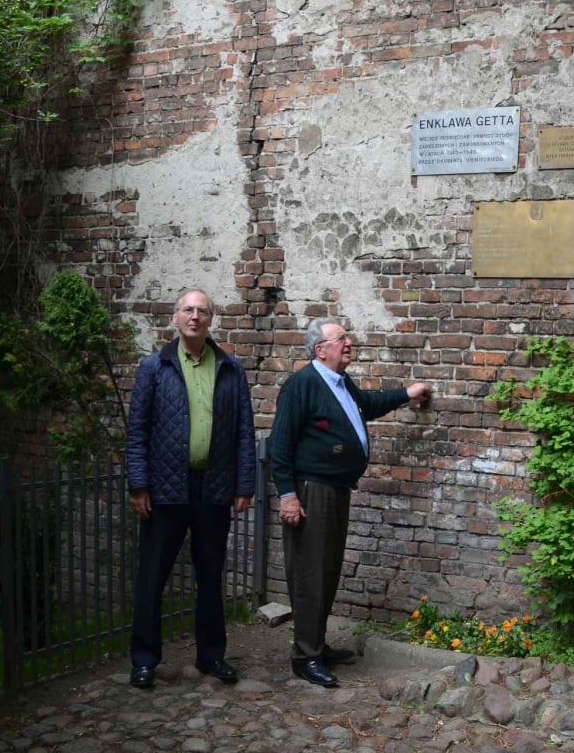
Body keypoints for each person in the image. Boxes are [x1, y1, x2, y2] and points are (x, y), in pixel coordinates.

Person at [269, 316, 431, 687]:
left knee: (327, 571)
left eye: (347, 337)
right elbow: (280, 444)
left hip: (336, 489)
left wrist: (407, 393)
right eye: (341, 338)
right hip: (311, 491)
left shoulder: (340, 383)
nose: (349, 343)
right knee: (310, 573)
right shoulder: (301, 385)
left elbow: (368, 405)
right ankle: (304, 657)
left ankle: (316, 645)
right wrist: (288, 495)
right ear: (320, 349)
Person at [126, 288, 255, 688]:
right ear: (176, 317)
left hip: (213, 489)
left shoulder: (230, 368)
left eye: (202, 311)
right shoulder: (155, 367)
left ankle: (211, 656)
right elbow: (138, 431)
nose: (195, 316)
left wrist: (244, 484)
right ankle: (144, 660)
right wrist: (139, 484)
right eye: (188, 310)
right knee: (152, 577)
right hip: (165, 490)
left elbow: (244, 431)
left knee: (211, 577)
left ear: (211, 319)